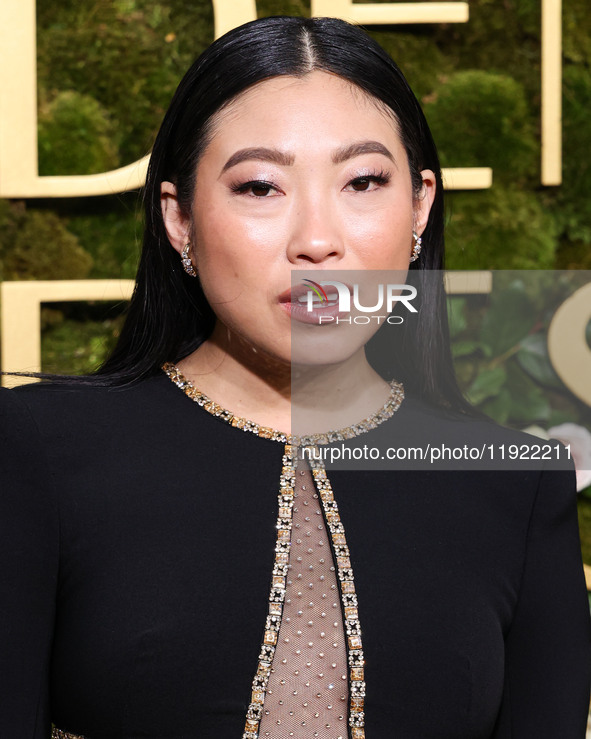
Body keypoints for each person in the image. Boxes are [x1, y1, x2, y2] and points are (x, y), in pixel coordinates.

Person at [1, 15, 590, 739]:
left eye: (363, 181)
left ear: (419, 205)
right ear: (178, 218)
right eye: (259, 187)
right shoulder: (35, 448)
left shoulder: (519, 482)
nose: (316, 240)